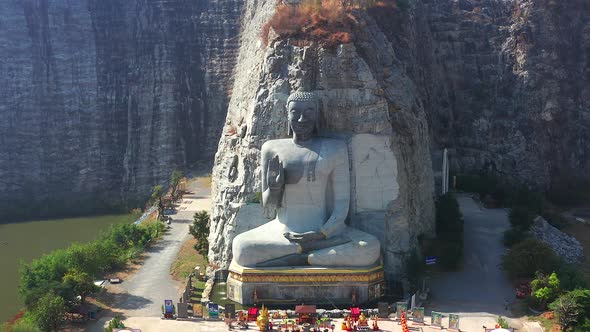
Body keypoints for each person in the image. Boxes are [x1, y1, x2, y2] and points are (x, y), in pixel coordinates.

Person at [231, 91, 381, 267]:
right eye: (295, 112)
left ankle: (302, 257)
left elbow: (341, 204)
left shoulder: (334, 148)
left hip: (326, 233)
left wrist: (321, 234)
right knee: (242, 248)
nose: (302, 119)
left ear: (317, 116)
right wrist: (274, 189)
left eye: (309, 112)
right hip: (283, 233)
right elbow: (268, 207)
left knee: (369, 247)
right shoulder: (272, 148)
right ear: (287, 114)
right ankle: (313, 253)